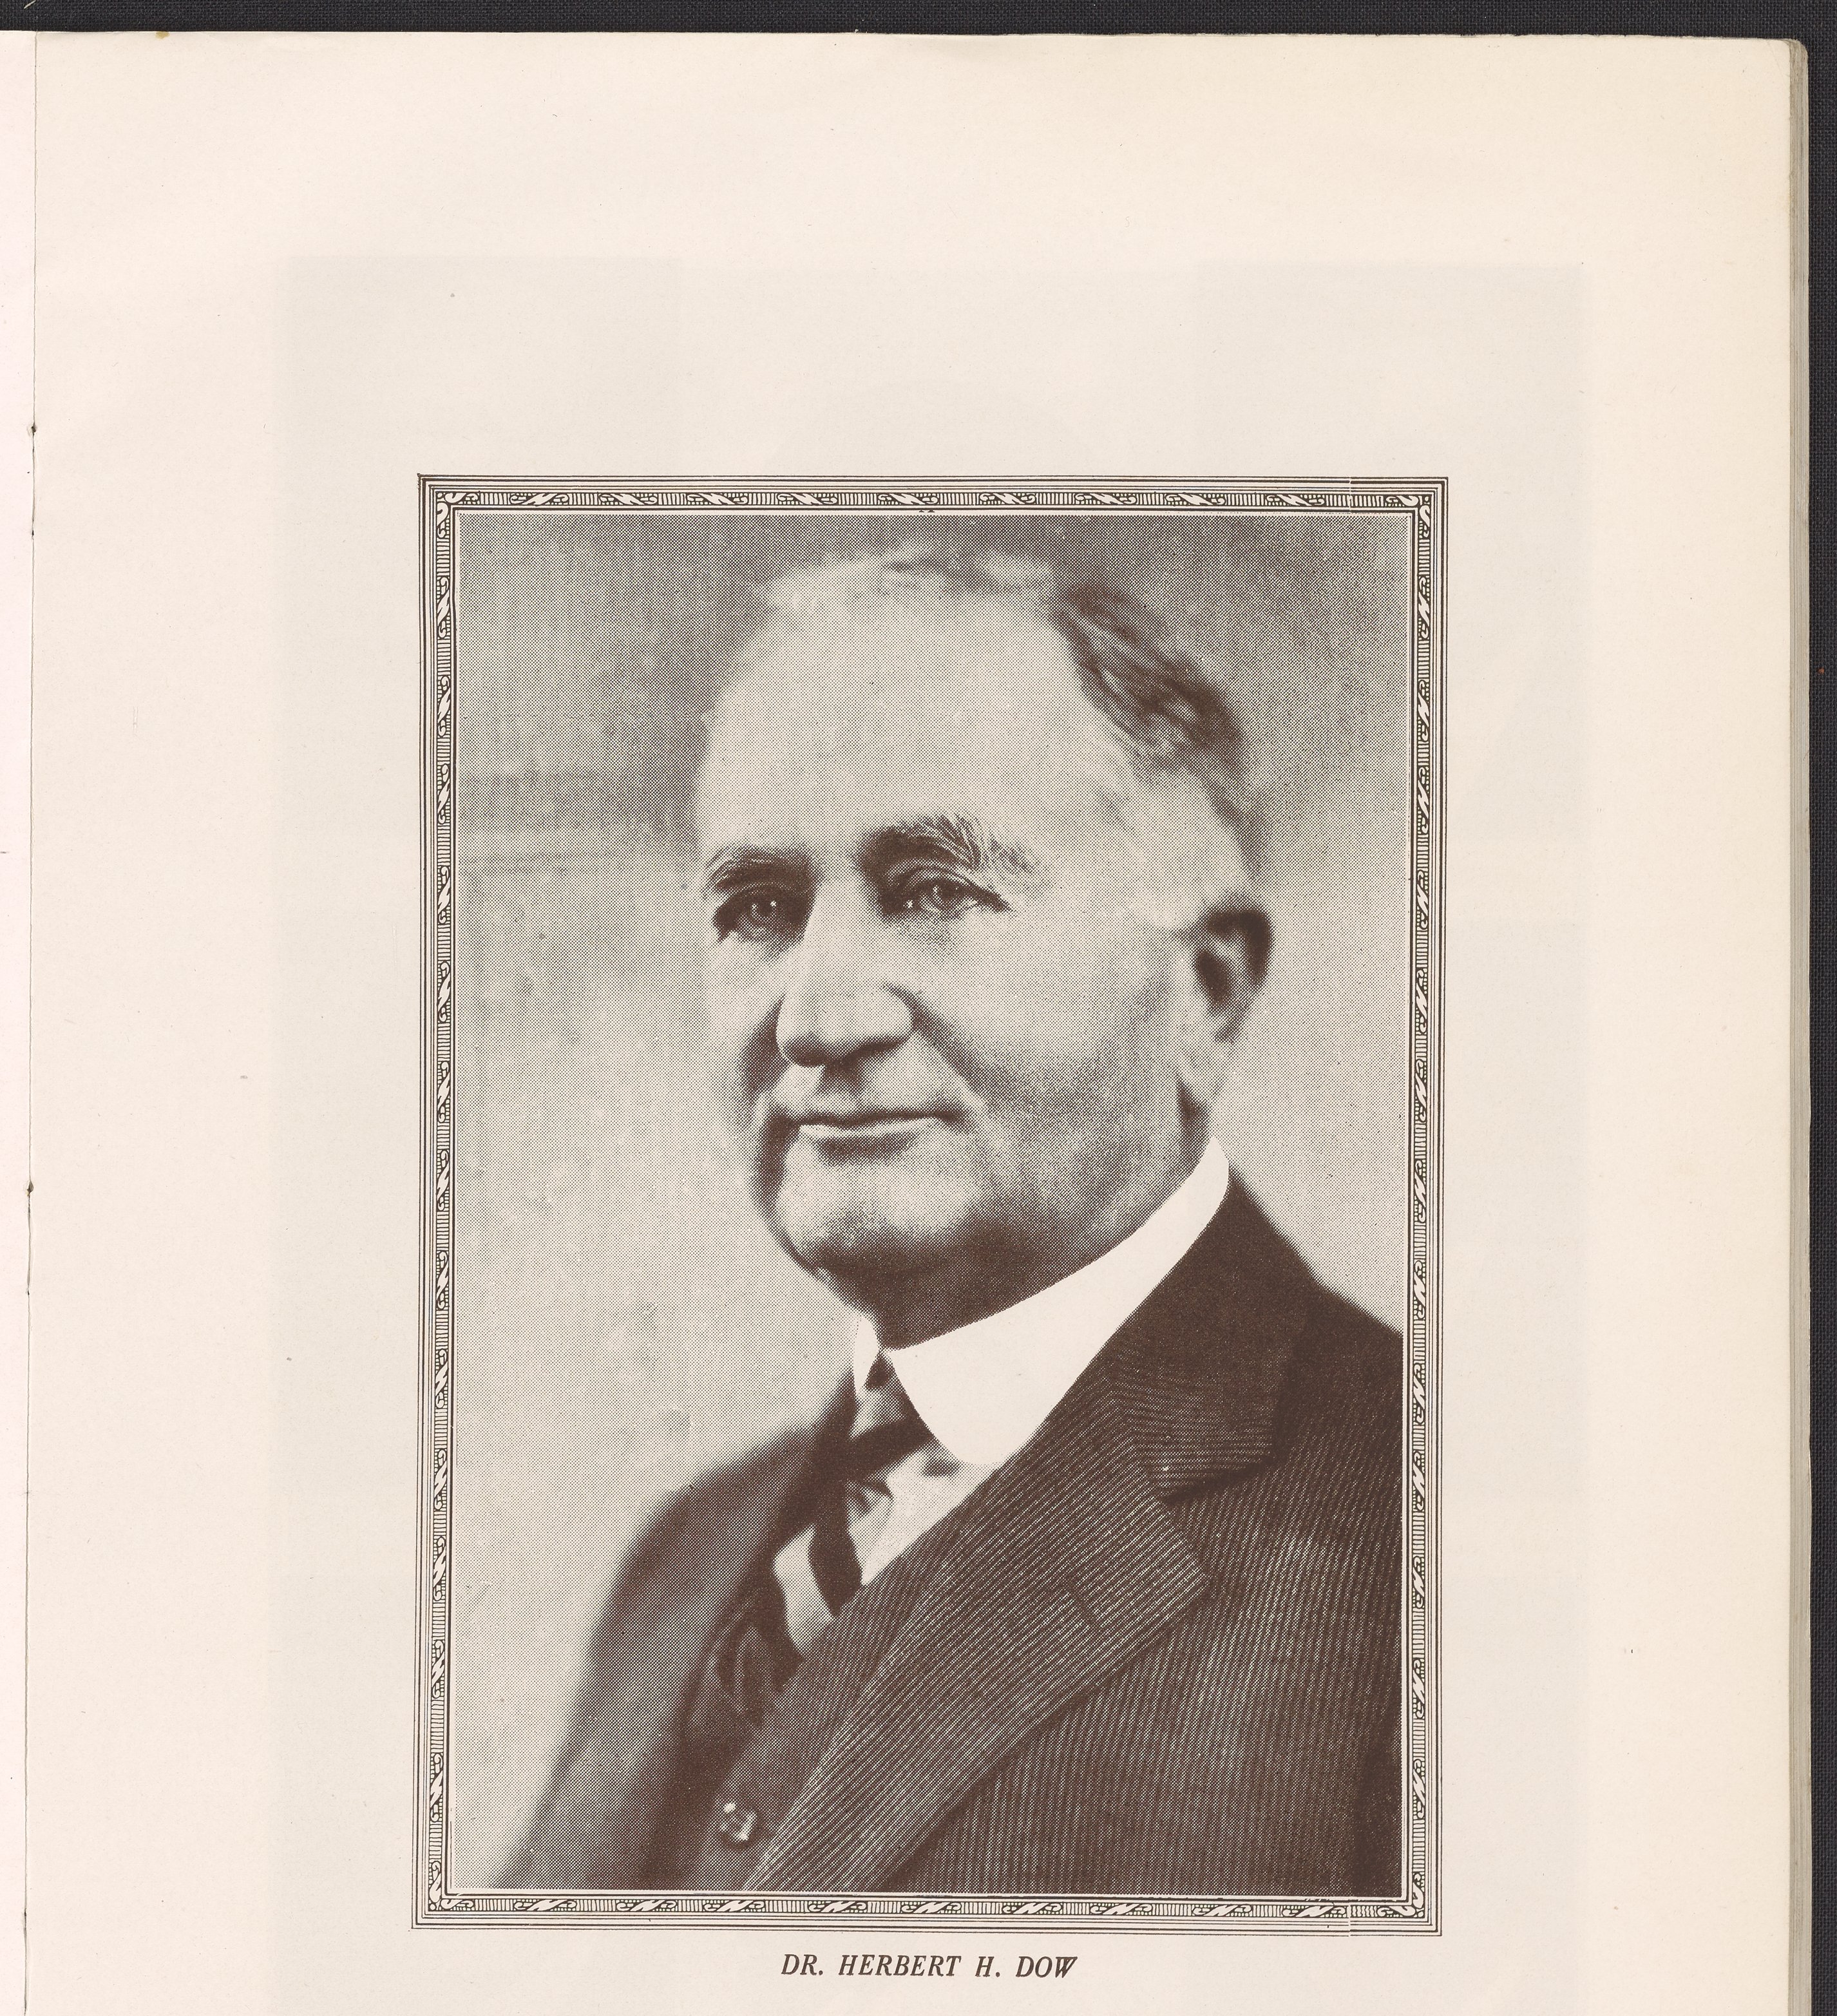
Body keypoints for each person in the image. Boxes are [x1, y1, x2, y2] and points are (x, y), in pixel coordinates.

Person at [506, 546, 1404, 1898]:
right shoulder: (687, 1557)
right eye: (759, 909)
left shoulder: (1419, 1533)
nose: (817, 1019)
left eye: (935, 891)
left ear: (1204, 993)